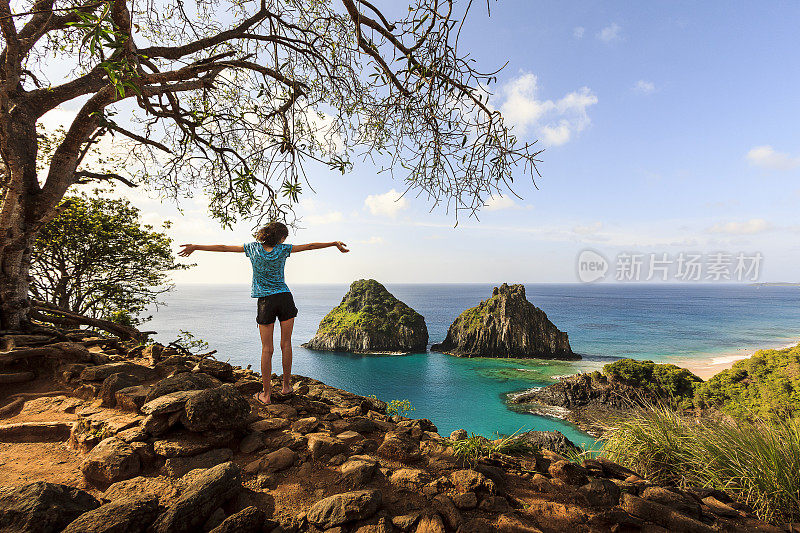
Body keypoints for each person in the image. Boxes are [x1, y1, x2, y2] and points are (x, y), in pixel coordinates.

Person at [178, 222, 349, 404]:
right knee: (286, 344)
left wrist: (196, 247)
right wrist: (333, 243)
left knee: (267, 349)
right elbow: (310, 246)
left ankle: (266, 395)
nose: (285, 240)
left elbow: (224, 248)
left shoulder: (252, 248)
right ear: (280, 237)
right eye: (284, 237)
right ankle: (286, 387)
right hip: (284, 298)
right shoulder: (283, 249)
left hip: (266, 301)